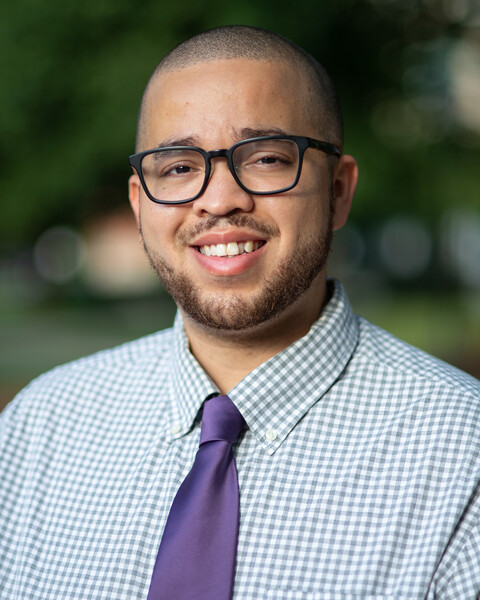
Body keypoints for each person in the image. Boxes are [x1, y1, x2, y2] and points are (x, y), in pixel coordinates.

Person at [1, 25, 479, 600]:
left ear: (340, 191)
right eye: (177, 167)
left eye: (268, 158)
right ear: (138, 204)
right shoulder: (37, 430)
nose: (219, 198)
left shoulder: (463, 455)